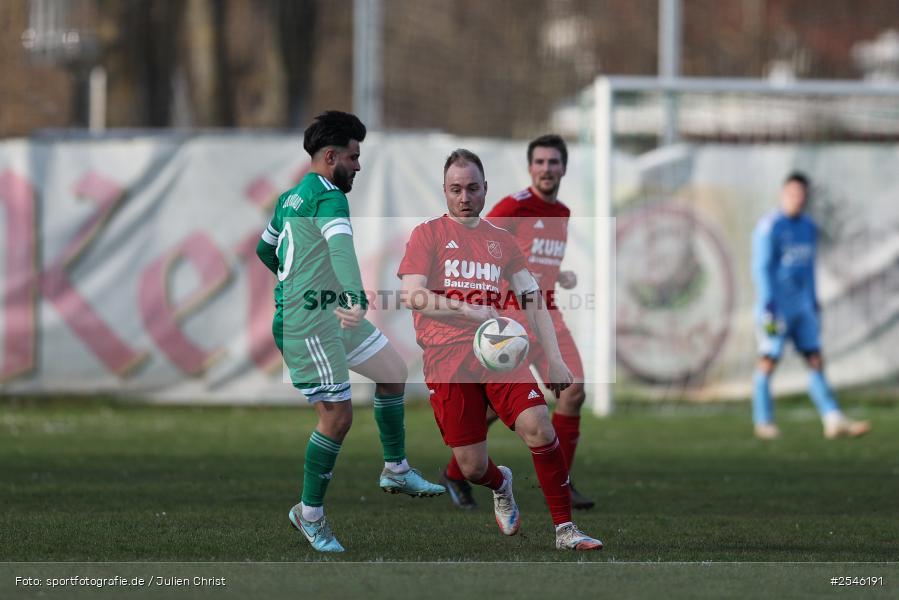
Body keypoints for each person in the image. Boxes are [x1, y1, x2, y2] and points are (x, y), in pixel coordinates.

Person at [256, 111, 444, 553]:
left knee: (393, 370)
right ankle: (309, 514)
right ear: (330, 156)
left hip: (323, 314)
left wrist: (298, 279)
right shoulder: (329, 199)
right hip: (309, 325)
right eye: (353, 157)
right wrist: (354, 298)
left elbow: (265, 249)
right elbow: (340, 248)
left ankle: (395, 469)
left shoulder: (290, 198)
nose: (357, 166)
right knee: (337, 418)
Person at [398, 148, 603, 551]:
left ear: (486, 190)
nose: (464, 197)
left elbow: (534, 298)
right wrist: (467, 309)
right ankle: (501, 483)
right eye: (455, 189)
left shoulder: (501, 241)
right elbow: (413, 295)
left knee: (539, 427)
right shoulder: (428, 234)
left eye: (473, 188)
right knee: (473, 467)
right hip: (445, 361)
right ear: (444, 191)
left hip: (497, 349)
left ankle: (565, 530)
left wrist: (556, 359)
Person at [438, 134, 595, 511]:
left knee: (572, 391)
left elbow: (535, 263)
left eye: (553, 162)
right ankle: (458, 472)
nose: (546, 169)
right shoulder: (514, 206)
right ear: (530, 168)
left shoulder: (562, 212)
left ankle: (562, 482)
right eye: (539, 162)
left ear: (563, 168)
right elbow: (482, 242)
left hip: (548, 314)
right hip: (511, 317)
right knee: (498, 406)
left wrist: (560, 277)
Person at [751, 171, 871, 440]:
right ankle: (764, 421)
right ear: (783, 195)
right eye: (793, 193)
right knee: (769, 361)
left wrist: (813, 302)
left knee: (815, 359)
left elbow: (808, 270)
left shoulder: (808, 227)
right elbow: (761, 268)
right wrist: (768, 305)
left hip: (802, 307)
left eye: (802, 194)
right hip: (776, 307)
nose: (798, 199)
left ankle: (833, 418)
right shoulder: (770, 226)